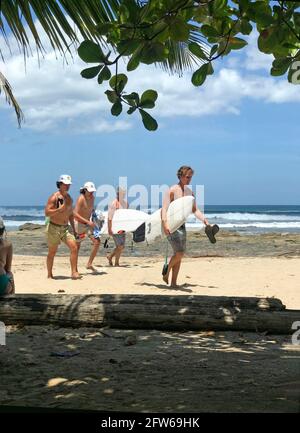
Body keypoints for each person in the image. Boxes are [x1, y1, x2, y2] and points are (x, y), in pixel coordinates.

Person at [161, 166, 210, 288]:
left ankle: (173, 283)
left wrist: (204, 219)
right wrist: (165, 225)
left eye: (191, 177)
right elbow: (164, 209)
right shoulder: (172, 190)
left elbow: (195, 210)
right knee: (180, 253)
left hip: (182, 225)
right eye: (187, 177)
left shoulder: (189, 193)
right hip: (171, 226)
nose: (189, 179)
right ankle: (166, 271)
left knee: (179, 254)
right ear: (181, 176)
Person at [45, 174, 81, 280]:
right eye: (65, 184)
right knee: (52, 252)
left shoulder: (69, 198)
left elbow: (70, 214)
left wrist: (74, 229)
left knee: (74, 247)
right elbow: (47, 212)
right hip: (53, 227)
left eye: (68, 184)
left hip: (65, 228)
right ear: (60, 184)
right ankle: (49, 274)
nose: (67, 186)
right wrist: (58, 210)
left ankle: (74, 272)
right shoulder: (54, 197)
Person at [73, 181, 100, 271]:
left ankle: (89, 264)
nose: (92, 192)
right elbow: (75, 214)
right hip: (79, 224)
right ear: (85, 190)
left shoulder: (92, 198)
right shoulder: (81, 199)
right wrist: (87, 222)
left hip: (88, 224)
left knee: (97, 242)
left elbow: (90, 209)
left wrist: (95, 215)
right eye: (90, 191)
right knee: (77, 247)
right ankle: (75, 269)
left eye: (93, 191)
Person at [106, 187, 128, 267]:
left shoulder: (126, 204)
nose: (122, 195)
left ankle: (112, 258)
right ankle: (115, 262)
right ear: (117, 193)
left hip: (123, 227)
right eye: (120, 193)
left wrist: (128, 227)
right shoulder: (114, 204)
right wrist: (109, 229)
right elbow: (109, 217)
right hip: (115, 227)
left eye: (124, 193)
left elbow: (126, 216)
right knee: (119, 246)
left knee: (121, 246)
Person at [0, 217, 15, 295]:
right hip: (1, 284)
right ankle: (13, 301)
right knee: (10, 275)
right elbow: (8, 270)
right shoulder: (7, 245)